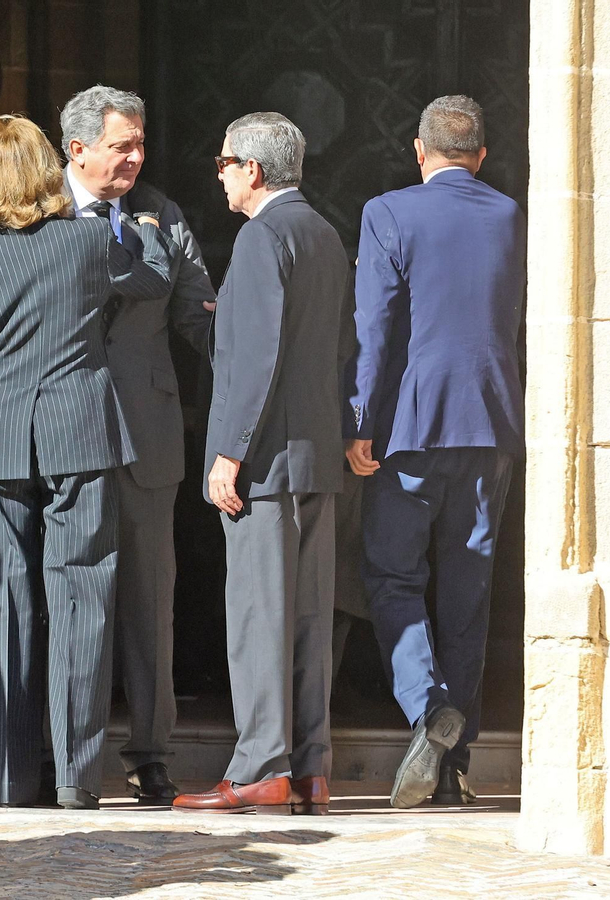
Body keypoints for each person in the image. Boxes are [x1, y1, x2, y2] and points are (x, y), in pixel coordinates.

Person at [0, 85, 219, 803]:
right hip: (80, 438)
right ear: (67, 154)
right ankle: (72, 779)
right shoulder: (89, 238)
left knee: (72, 608)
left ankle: (24, 778)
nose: (135, 157)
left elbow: (191, 309)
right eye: (121, 143)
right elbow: (152, 274)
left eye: (138, 143)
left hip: (55, 443)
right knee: (80, 607)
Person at [345, 95, 526, 810]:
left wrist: (360, 418)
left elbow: (375, 328)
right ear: (480, 156)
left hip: (411, 429)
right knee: (467, 594)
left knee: (392, 577)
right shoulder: (512, 215)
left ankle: (428, 710)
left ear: (419, 153)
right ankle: (454, 766)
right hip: (490, 426)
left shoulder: (388, 213)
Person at [172, 113, 348, 816]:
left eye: (223, 162)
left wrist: (227, 455)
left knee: (257, 620)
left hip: (267, 464)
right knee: (306, 620)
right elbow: (343, 348)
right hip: (314, 462)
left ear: (252, 169)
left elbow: (253, 358)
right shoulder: (327, 235)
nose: (218, 174)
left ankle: (259, 769)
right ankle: (310, 769)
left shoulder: (261, 237)